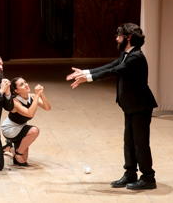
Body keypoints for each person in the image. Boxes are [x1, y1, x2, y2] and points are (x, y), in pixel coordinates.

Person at [66, 23, 158, 190]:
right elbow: (110, 65)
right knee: (129, 141)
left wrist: (89, 79)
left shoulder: (136, 57)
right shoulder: (126, 54)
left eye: (119, 36)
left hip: (141, 106)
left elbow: (115, 71)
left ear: (128, 38)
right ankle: (130, 173)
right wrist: (86, 72)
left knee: (140, 142)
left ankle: (148, 178)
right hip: (131, 106)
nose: (116, 38)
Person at [1, 77, 52, 166]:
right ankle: (18, 153)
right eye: (22, 84)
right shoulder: (15, 101)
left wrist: (41, 93)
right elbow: (30, 114)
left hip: (21, 127)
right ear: (16, 91)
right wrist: (37, 95)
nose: (26, 85)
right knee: (34, 130)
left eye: (25, 82)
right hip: (10, 129)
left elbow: (47, 108)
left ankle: (9, 148)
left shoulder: (32, 96)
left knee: (22, 161)